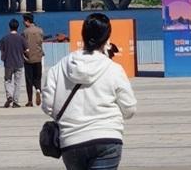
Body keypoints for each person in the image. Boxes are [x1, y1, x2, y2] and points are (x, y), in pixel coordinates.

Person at [41, 13, 136, 170]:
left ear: (83, 35)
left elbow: (48, 106)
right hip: (107, 137)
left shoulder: (59, 68)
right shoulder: (114, 69)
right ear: (107, 39)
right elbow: (129, 109)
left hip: (71, 141)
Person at [0, 19, 25, 109]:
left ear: (9, 27)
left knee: (7, 80)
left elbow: (2, 50)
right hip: (19, 62)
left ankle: (9, 96)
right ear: (18, 27)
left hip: (8, 63)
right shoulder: (21, 38)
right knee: (17, 83)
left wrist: (3, 58)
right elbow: (27, 50)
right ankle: (16, 101)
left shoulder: (4, 38)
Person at [22, 13, 45, 107]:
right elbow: (41, 42)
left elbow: (23, 44)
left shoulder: (25, 32)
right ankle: (38, 89)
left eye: (24, 21)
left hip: (28, 59)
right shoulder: (40, 30)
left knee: (29, 80)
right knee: (38, 77)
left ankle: (30, 101)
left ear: (27, 21)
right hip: (38, 57)